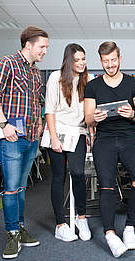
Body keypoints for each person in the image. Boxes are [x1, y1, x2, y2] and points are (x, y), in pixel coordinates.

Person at [0, 26, 48, 259]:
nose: (45, 51)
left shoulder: (34, 72)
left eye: (46, 47)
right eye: (42, 46)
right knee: (10, 188)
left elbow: (35, 101)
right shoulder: (6, 63)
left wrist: (40, 123)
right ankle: (11, 234)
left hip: (31, 138)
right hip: (11, 138)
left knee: (21, 187)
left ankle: (20, 228)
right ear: (28, 45)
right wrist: (3, 124)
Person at [84, 41, 135, 258]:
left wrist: (132, 114)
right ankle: (110, 234)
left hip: (128, 138)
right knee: (107, 186)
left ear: (120, 59)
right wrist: (94, 117)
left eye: (113, 60)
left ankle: (130, 228)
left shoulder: (134, 84)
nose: (110, 65)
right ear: (100, 61)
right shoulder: (92, 86)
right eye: (105, 61)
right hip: (105, 139)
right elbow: (87, 119)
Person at [44, 43, 93, 242]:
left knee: (78, 173)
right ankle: (60, 224)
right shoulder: (55, 78)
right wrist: (54, 138)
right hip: (57, 132)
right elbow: (50, 110)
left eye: (83, 58)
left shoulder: (88, 80)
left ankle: (81, 218)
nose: (81, 63)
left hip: (78, 133)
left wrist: (91, 134)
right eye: (77, 59)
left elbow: (89, 112)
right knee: (58, 177)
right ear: (68, 61)